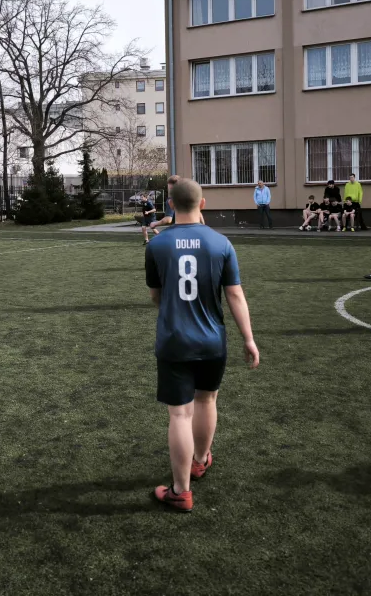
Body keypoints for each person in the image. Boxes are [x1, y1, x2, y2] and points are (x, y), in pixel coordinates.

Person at [144, 178, 259, 512]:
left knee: (180, 414)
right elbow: (235, 294)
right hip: (211, 340)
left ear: (170, 204)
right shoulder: (221, 242)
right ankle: (199, 460)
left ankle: (181, 491)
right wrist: (249, 338)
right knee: (207, 400)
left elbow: (155, 296)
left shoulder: (157, 245)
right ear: (203, 204)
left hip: (174, 340)